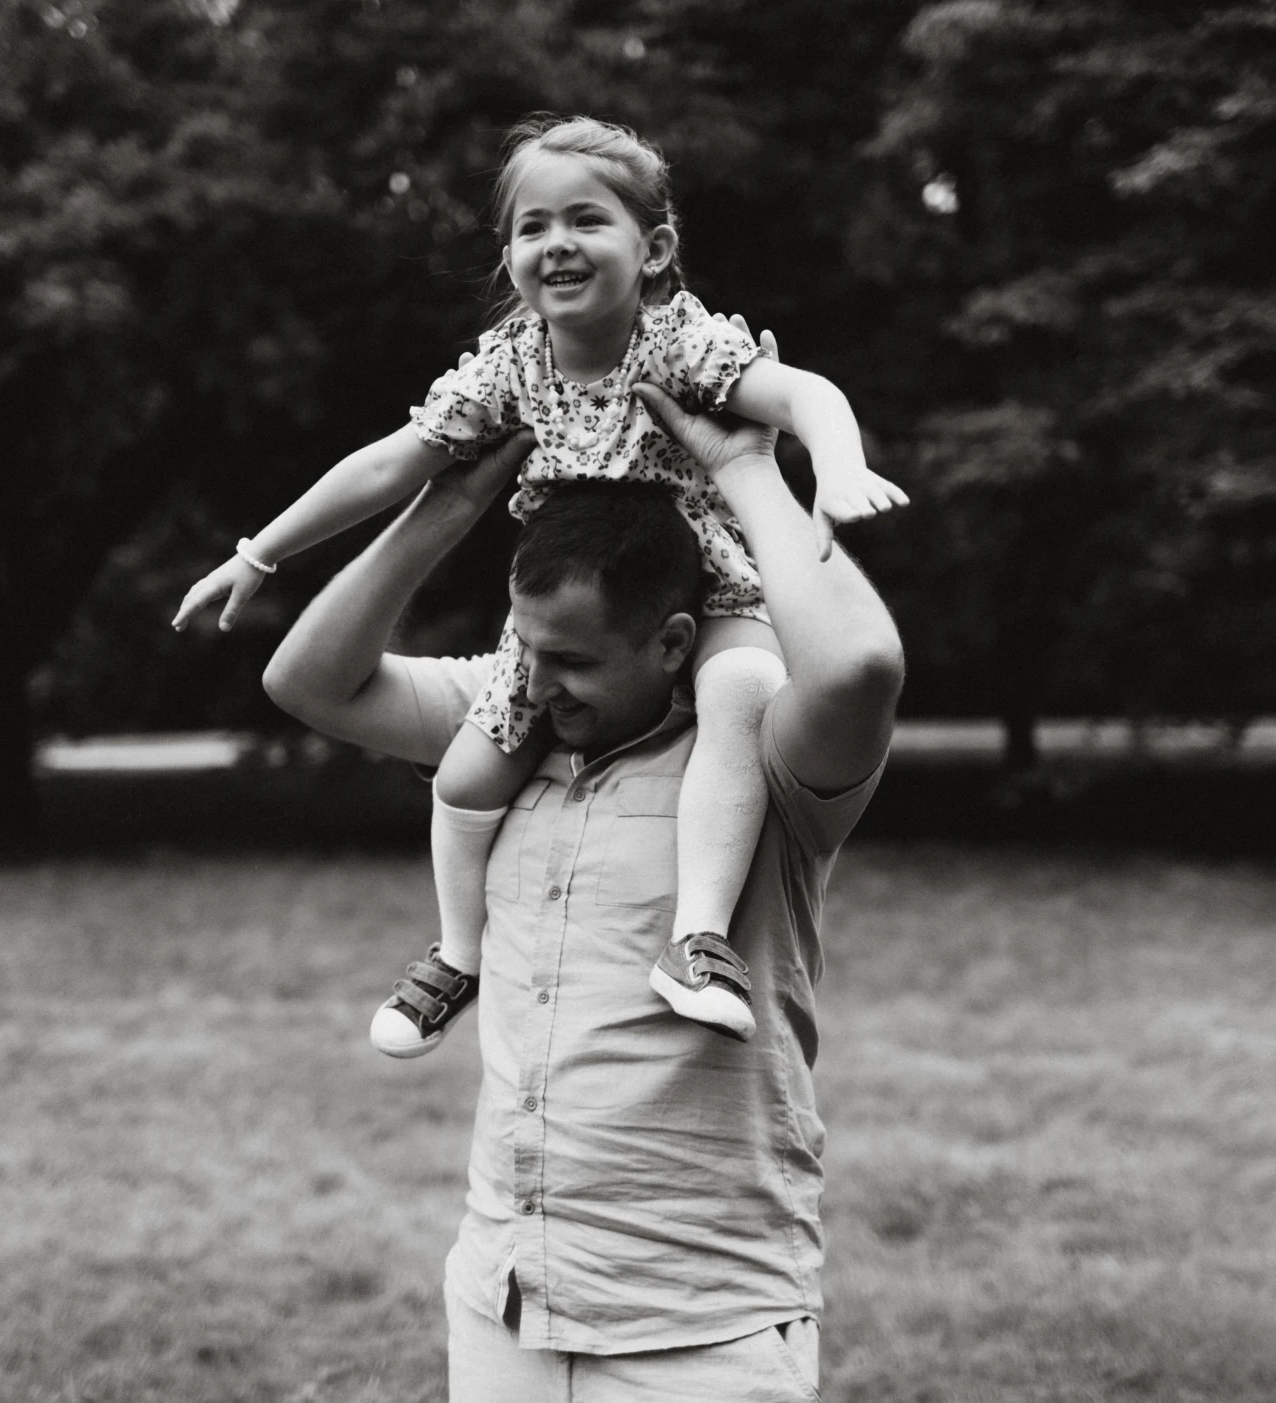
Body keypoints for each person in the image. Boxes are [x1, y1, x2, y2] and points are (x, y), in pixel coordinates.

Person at [172, 115, 904, 1054]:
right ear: (509, 253)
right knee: (472, 771)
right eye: (531, 226)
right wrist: (259, 552)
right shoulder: (513, 364)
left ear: (656, 249)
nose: (556, 242)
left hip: (705, 588)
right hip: (569, 605)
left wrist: (831, 469)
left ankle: (698, 938)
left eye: (587, 220)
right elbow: (388, 465)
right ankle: (456, 953)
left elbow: (808, 395)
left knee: (743, 689)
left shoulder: (680, 344)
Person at [260, 366, 902, 1401]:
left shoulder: (771, 757)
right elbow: (308, 680)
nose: (536, 679)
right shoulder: (510, 709)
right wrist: (450, 504)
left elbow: (862, 666)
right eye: (527, 651)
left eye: (570, 660)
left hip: (699, 1322)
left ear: (673, 642)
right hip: (505, 1292)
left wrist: (746, 469)